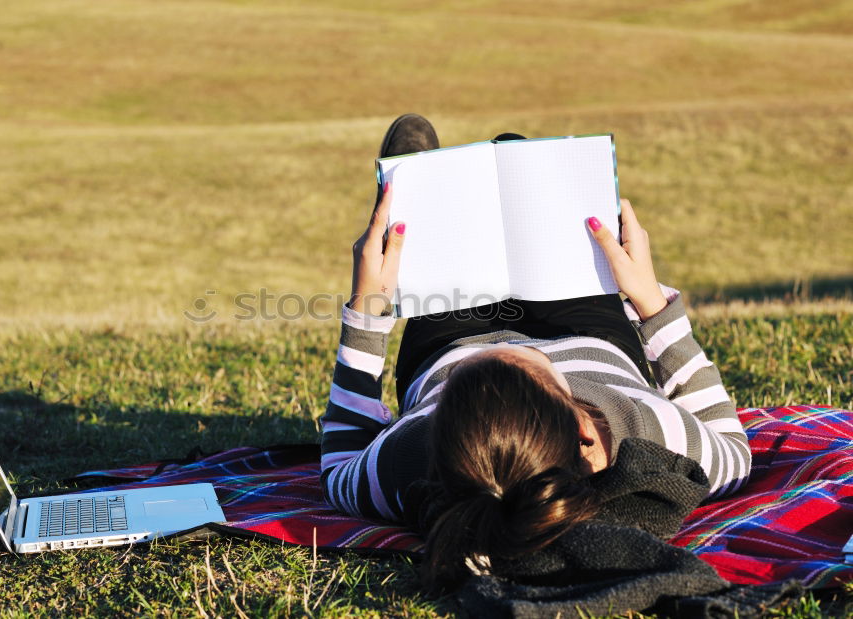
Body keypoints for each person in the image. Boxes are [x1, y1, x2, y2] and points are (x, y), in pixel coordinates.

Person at [318, 114, 751, 590]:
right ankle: (474, 175)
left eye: (468, 373)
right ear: (584, 424)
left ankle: (418, 183)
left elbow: (340, 462)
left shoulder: (414, 457)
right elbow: (733, 447)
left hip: (447, 339)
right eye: (520, 362)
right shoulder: (650, 435)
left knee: (463, 202)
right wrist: (650, 303)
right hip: (585, 327)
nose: (504, 345)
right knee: (519, 159)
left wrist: (368, 310)